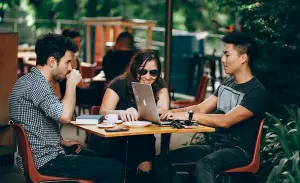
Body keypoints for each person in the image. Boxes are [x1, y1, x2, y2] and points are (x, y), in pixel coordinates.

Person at [9, 33, 123, 183]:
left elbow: (35, 125)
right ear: (52, 61)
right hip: (46, 163)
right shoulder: (37, 84)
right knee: (115, 168)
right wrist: (71, 84)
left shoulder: (29, 81)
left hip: (42, 156)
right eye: (67, 62)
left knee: (99, 156)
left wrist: (60, 142)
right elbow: (65, 116)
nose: (70, 68)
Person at [157, 32, 268, 183]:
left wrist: (189, 115)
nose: (223, 60)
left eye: (227, 55)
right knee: (162, 162)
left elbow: (226, 121)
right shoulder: (227, 83)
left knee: (204, 165)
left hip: (239, 151)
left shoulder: (256, 92)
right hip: (215, 146)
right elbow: (202, 108)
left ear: (243, 58)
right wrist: (171, 113)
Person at [89, 49, 169, 183]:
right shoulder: (120, 83)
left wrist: (159, 111)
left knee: (149, 167)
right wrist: (121, 113)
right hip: (115, 139)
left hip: (143, 138)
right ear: (134, 69)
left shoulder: (159, 84)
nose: (148, 76)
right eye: (143, 71)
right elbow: (103, 111)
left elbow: (163, 108)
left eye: (153, 72)